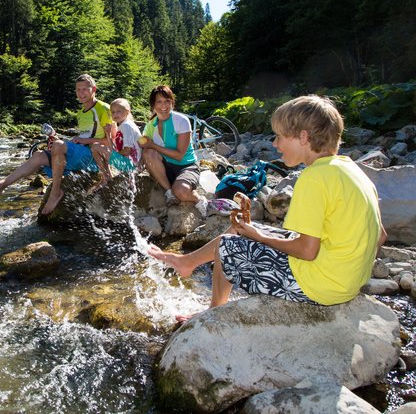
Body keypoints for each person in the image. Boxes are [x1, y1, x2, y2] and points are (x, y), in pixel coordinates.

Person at [148, 95, 387, 322]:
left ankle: (214, 312)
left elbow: (306, 251)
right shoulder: (353, 171)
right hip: (347, 282)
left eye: (280, 137)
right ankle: (188, 262)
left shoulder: (315, 177)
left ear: (303, 137)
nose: (275, 144)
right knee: (242, 230)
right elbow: (381, 236)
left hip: (319, 286)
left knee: (227, 247)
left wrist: (258, 236)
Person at [0, 74, 114, 215]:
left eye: (85, 89)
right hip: (81, 154)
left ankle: (55, 192)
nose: (81, 93)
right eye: (78, 90)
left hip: (93, 158)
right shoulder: (80, 113)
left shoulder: (104, 108)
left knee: (58, 145)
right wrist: (62, 140)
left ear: (94, 89)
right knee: (39, 155)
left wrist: (81, 141)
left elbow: (111, 142)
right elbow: (86, 136)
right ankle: (1, 185)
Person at [139, 85, 207, 217]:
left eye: (167, 101)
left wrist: (153, 145)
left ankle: (198, 199)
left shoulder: (181, 121)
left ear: (172, 103)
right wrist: (142, 159)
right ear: (153, 105)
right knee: (147, 153)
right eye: (159, 102)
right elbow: (146, 149)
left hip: (186, 166)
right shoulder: (150, 125)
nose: (163, 106)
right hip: (165, 167)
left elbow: (180, 155)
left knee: (181, 192)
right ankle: (169, 192)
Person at [89, 98, 142, 192]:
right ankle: (107, 176)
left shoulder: (126, 126)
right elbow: (113, 149)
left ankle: (106, 177)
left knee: (95, 146)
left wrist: (111, 155)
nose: (115, 114)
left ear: (127, 112)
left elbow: (127, 151)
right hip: (128, 163)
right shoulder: (122, 126)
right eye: (113, 112)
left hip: (130, 165)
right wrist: (108, 134)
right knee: (97, 147)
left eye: (119, 111)